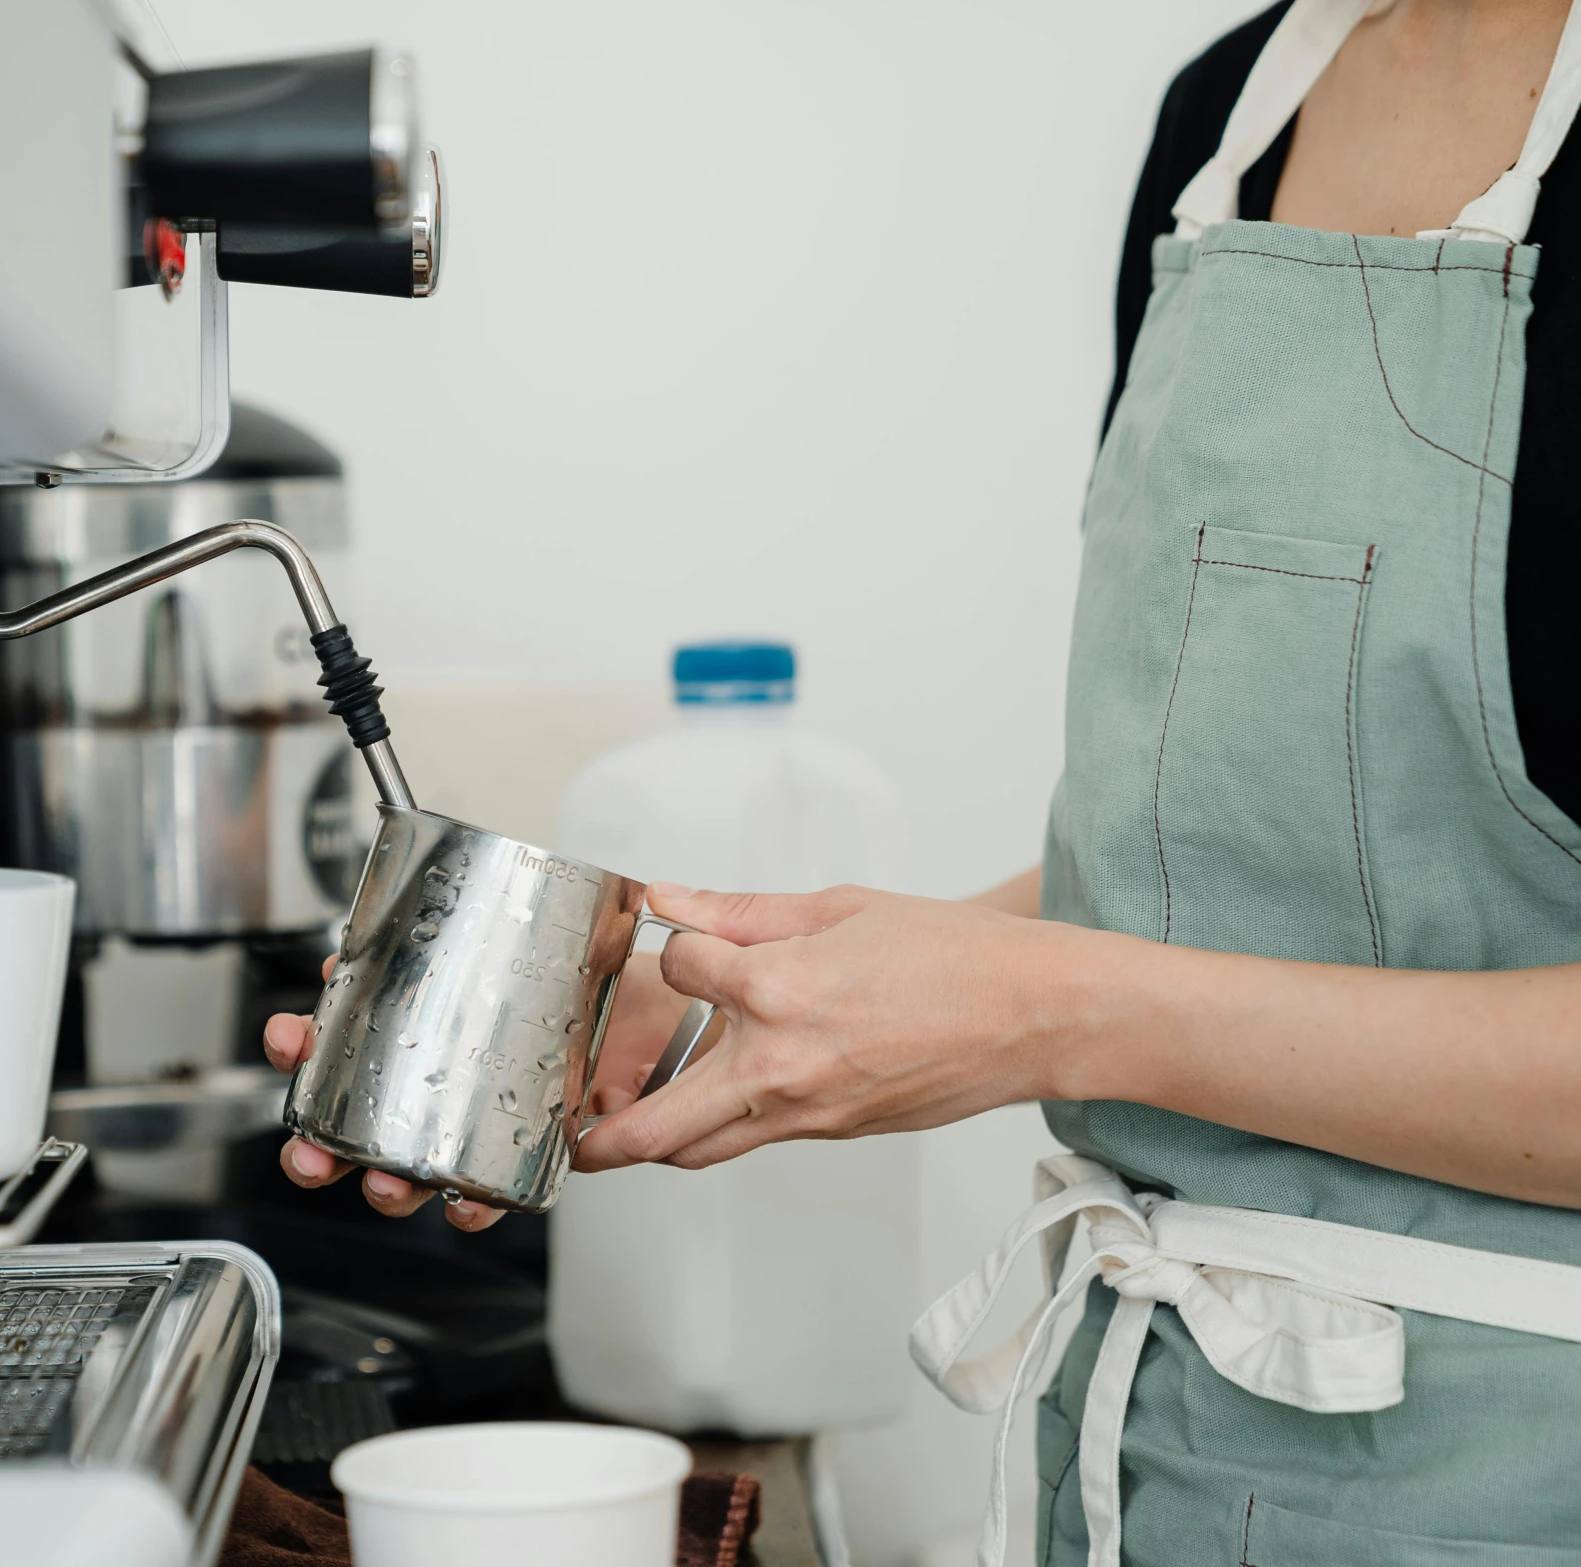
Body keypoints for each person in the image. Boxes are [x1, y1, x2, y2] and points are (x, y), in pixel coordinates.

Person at [263, 0, 1581, 1559]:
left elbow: (1114, 979)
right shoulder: (1226, 121)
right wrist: (725, 989)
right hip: (1149, 1446)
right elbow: (1253, 860)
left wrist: (1044, 1008)